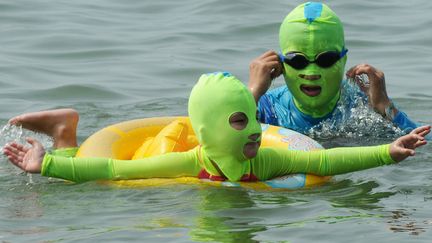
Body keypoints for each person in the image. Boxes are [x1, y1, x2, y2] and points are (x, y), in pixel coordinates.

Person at [2, 72, 430, 183]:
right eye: (239, 123)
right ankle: (64, 135)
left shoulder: (262, 160)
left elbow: (326, 160)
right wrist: (48, 168)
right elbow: (114, 171)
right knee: (86, 168)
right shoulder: (185, 160)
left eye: (251, 122)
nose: (251, 134)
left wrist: (387, 152)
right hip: (158, 143)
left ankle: (64, 130)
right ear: (209, 132)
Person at [248, 2, 418, 134]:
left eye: (326, 59)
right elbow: (223, 142)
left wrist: (385, 106)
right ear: (281, 64)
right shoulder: (265, 108)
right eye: (298, 61)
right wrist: (252, 93)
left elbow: (424, 145)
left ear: (343, 61)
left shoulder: (363, 107)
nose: (312, 74)